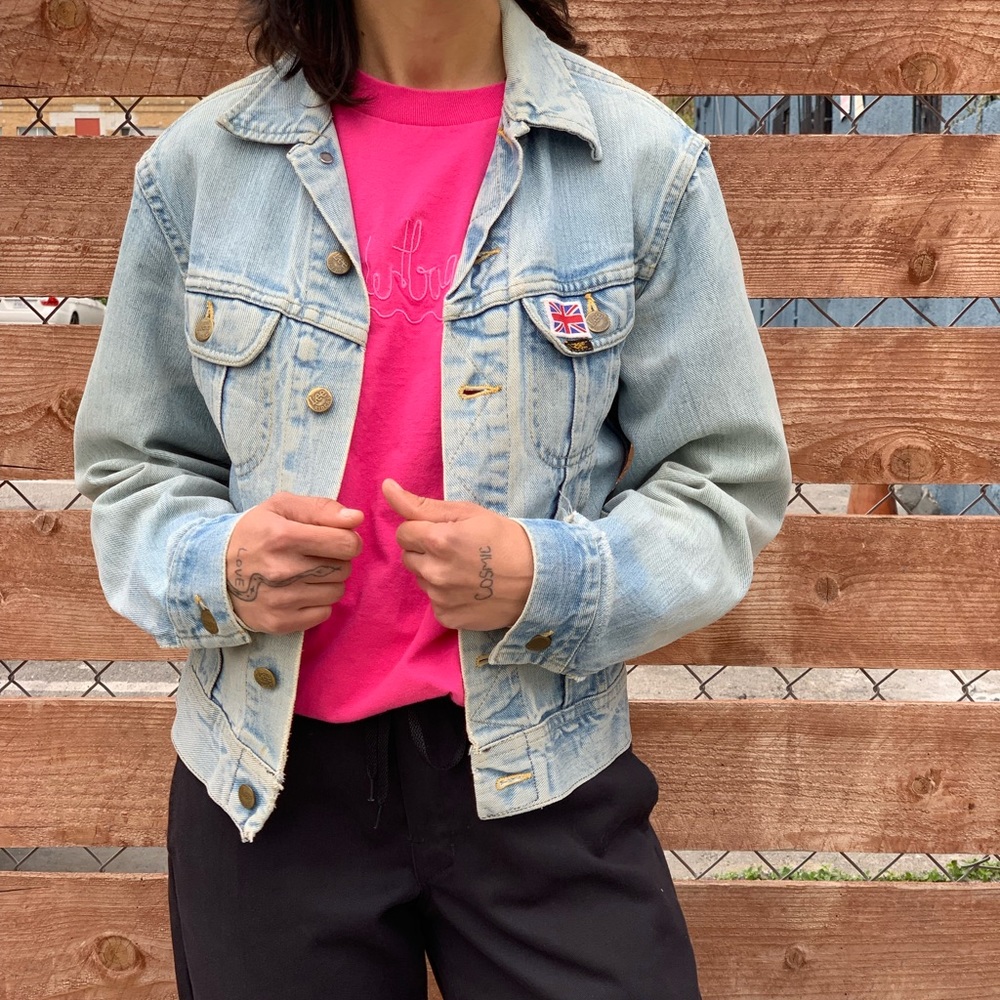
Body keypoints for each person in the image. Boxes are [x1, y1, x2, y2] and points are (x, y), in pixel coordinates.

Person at [73, 0, 792, 996]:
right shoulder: (203, 169)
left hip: (540, 770)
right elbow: (129, 472)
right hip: (267, 785)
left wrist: (549, 575)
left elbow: (724, 486)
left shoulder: (639, 165)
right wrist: (221, 565)